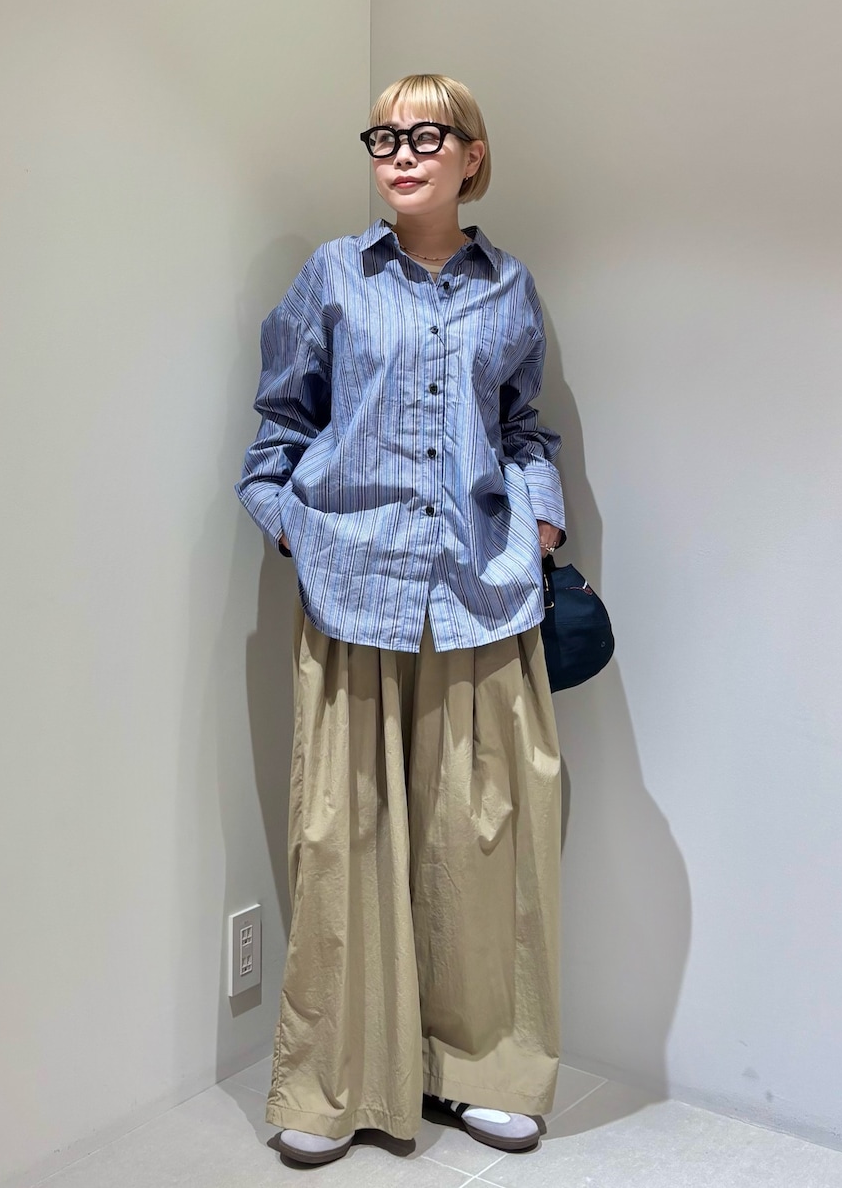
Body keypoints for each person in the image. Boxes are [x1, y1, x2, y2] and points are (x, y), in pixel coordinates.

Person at [235, 74, 566, 1167]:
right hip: (353, 590)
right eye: (385, 136)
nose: (404, 153)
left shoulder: (509, 289)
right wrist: (295, 527)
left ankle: (482, 1068)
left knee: (479, 840)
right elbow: (277, 430)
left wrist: (541, 521)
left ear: (473, 154)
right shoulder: (332, 275)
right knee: (344, 840)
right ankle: (334, 1080)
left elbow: (524, 429)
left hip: (477, 592)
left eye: (429, 134)